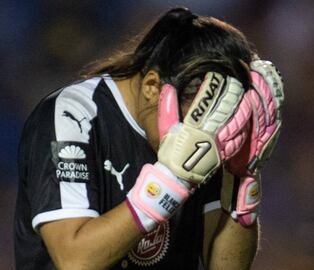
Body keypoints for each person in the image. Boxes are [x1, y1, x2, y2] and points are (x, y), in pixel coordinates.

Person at [14, 7, 283, 270]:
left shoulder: (212, 127)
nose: (212, 140)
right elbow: (75, 260)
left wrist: (242, 178)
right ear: (153, 87)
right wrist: (173, 179)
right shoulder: (72, 116)